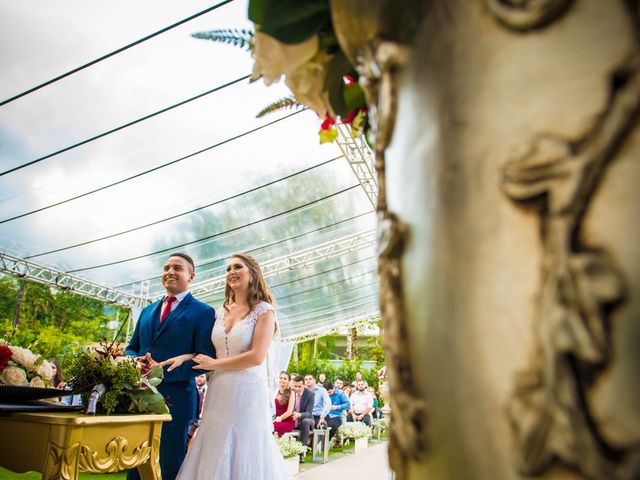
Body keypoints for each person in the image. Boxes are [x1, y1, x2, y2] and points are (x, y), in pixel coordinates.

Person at [161, 253, 293, 479]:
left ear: (252, 274)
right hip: (219, 388)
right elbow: (214, 351)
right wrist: (185, 356)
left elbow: (256, 356)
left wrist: (215, 364)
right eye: (228, 269)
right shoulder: (221, 312)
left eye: (237, 267)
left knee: (243, 443)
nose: (231, 272)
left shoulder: (264, 311)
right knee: (214, 441)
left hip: (247, 391)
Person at [125, 252, 215, 480]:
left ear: (191, 276)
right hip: (139, 397)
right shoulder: (147, 311)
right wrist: (133, 360)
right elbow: (132, 347)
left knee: (169, 462)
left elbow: (205, 359)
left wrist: (161, 373)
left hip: (176, 400)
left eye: (177, 268)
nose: (170, 272)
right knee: (135, 460)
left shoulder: (203, 312)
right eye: (166, 268)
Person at [291, 375, 315, 450]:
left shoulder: (310, 395)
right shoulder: (290, 393)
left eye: (299, 386)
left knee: (305, 421)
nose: (297, 388)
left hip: (307, 420)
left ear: (304, 385)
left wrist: (299, 415)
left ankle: (301, 450)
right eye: (295, 386)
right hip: (292, 419)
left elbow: (308, 413)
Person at [187, 373, 208, 448]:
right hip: (192, 419)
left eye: (202, 377)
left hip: (202, 419)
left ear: (206, 379)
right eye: (197, 376)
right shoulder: (192, 391)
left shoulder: (208, 390)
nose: (199, 378)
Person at [273, 371, 295, 437]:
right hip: (275, 419)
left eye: (285, 379)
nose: (282, 380)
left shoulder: (291, 393)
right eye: (281, 378)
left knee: (272, 426)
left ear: (288, 381)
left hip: (286, 421)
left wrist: (280, 418)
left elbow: (289, 411)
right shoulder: (275, 392)